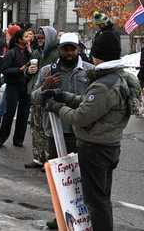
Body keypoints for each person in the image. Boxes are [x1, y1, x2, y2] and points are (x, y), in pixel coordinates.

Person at [44, 29, 138, 231]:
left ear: (98, 55)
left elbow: (81, 117)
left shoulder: (103, 85)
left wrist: (57, 107)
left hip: (96, 150)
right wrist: (64, 96)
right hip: (108, 146)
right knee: (102, 199)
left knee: (96, 203)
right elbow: (89, 104)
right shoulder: (115, 78)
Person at [30, 33, 94, 229]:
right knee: (61, 179)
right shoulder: (48, 70)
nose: (68, 52)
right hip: (56, 133)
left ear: (79, 49)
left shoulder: (90, 71)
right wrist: (44, 88)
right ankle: (60, 215)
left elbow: (94, 100)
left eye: (72, 48)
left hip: (82, 131)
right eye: (65, 48)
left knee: (83, 178)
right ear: (59, 49)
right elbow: (34, 97)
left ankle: (83, 217)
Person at [24, 26, 58, 168]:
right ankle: (38, 157)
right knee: (35, 127)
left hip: (48, 96)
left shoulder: (56, 54)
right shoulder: (37, 53)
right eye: (38, 38)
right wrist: (28, 71)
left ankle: (49, 160)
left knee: (47, 129)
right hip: (35, 94)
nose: (39, 40)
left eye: (42, 38)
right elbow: (27, 69)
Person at [0, 28, 33, 147]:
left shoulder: (29, 52)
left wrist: (30, 51)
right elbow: (4, 70)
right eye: (26, 36)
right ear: (19, 39)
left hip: (26, 86)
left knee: (24, 113)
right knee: (9, 113)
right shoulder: (12, 52)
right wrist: (18, 70)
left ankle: (19, 139)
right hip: (13, 86)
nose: (29, 39)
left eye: (29, 37)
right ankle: (1, 138)